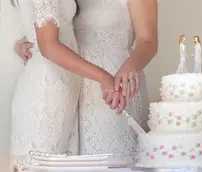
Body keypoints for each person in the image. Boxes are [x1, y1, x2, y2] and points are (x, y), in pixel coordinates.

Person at [13, 0, 158, 167]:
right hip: (72, 85)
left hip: (116, 81)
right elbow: (56, 28)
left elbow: (148, 40)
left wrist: (132, 65)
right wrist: (26, 42)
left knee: (112, 159)